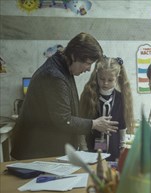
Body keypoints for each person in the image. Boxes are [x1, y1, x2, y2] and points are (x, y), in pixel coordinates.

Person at [11, 32, 118, 160]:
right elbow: (63, 120)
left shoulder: (63, 67)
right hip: (35, 152)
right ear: (74, 55)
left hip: (44, 150)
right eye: (88, 63)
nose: (89, 69)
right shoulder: (54, 76)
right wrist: (93, 124)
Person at [79, 56, 134, 161]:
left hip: (114, 149)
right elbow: (82, 122)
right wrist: (83, 148)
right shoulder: (89, 95)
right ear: (96, 75)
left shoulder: (120, 98)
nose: (105, 83)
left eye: (110, 80)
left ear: (117, 77)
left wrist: (122, 146)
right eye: (102, 79)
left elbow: (122, 125)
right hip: (91, 149)